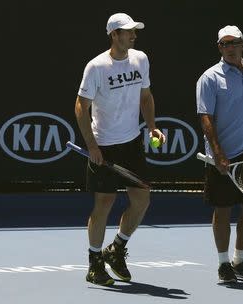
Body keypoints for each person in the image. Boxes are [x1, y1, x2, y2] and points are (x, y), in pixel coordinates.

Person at [74, 12, 165, 286]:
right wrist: (92, 145)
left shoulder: (141, 59)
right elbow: (81, 107)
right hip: (104, 145)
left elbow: (146, 97)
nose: (133, 35)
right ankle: (94, 263)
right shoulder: (96, 67)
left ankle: (116, 249)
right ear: (114, 35)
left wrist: (151, 127)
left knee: (142, 200)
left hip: (131, 143)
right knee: (104, 203)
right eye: (127, 31)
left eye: (134, 31)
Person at [196, 25, 243, 283]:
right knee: (223, 210)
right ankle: (224, 263)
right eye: (224, 44)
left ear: (242, 44)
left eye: (234, 42)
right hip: (223, 154)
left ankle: (240, 259)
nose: (230, 47)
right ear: (219, 48)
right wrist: (218, 153)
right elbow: (206, 118)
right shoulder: (210, 78)